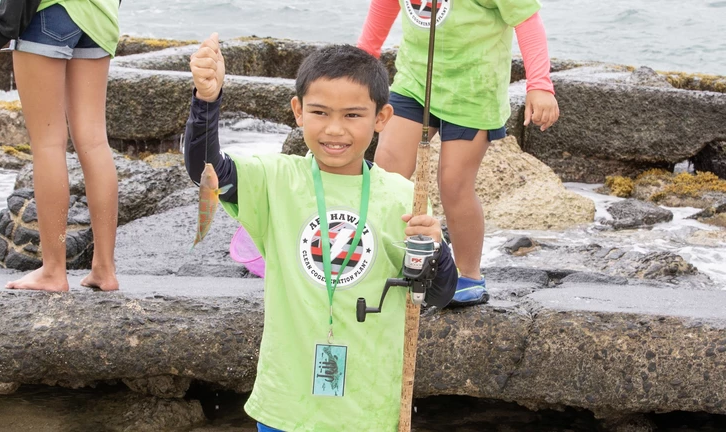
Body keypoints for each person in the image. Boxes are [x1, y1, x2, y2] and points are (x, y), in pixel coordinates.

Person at [184, 34, 458, 431]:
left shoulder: (402, 196)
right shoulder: (275, 180)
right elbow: (204, 170)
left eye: (352, 115)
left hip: (371, 406)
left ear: (381, 118)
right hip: (288, 402)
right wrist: (207, 100)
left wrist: (436, 250)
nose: (334, 130)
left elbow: (436, 294)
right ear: (297, 111)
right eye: (320, 112)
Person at [358, 0, 560, 305]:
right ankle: (382, 256)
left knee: (453, 185)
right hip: (414, 83)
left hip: (474, 92)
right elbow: (384, 5)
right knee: (386, 170)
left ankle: (469, 274)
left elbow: (527, 19)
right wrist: (362, 59)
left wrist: (540, 85)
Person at [0, 0, 121, 292]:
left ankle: (54, 271)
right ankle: (104, 269)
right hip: (101, 19)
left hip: (49, 15)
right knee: (94, 142)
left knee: (48, 144)